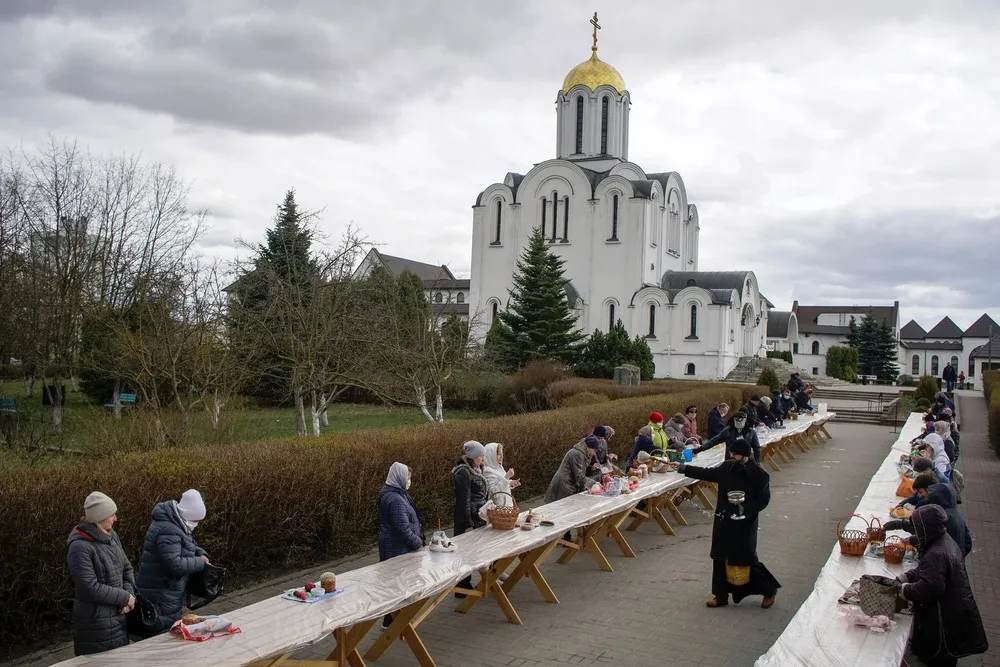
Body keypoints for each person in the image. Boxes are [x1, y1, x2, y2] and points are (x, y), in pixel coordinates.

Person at [668, 438, 780, 609]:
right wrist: (683, 468)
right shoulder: (726, 467)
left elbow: (763, 500)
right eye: (731, 453)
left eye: (734, 454)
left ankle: (769, 590)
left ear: (744, 456)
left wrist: (744, 509)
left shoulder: (760, 474)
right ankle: (720, 596)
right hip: (724, 518)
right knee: (719, 556)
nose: (731, 456)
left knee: (745, 558)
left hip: (744, 523)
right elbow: (707, 473)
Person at [895, 504, 988, 666]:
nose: (917, 533)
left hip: (944, 621)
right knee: (947, 659)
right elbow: (929, 571)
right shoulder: (943, 540)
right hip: (953, 613)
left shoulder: (936, 552)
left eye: (918, 528)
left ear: (926, 528)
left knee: (941, 660)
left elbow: (930, 586)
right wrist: (906, 576)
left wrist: (903, 590)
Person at [67, 492, 135, 656]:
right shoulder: (79, 547)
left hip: (120, 617)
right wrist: (124, 598)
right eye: (111, 515)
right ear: (100, 517)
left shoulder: (112, 536)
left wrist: (129, 597)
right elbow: (89, 587)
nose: (115, 518)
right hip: (95, 626)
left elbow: (127, 568)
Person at [136, 489, 209, 634]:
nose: (195, 525)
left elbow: (187, 545)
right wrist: (199, 562)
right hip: (160, 593)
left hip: (168, 591)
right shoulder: (168, 529)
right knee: (161, 635)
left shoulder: (176, 523)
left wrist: (200, 552)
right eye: (195, 521)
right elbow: (175, 564)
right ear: (188, 515)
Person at [377, 462, 424, 627]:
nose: (409, 480)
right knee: (398, 584)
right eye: (408, 477)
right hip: (397, 548)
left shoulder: (396, 492)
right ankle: (393, 622)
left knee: (396, 583)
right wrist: (417, 543)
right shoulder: (395, 498)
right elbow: (402, 527)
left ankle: (393, 620)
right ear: (400, 477)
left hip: (394, 545)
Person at [886, 472, 971, 558]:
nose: (924, 497)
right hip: (952, 559)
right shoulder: (956, 514)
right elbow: (968, 542)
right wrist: (960, 557)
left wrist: (911, 540)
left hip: (943, 559)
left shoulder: (941, 516)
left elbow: (928, 535)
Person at [453, 440, 489, 595]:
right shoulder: (463, 472)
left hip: (478, 515)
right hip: (468, 518)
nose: (482, 458)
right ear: (473, 456)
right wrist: (467, 523)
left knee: (475, 551)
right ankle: (462, 586)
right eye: (480, 455)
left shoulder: (476, 469)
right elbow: (464, 499)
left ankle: (469, 582)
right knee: (465, 552)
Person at [693, 411, 762, 464]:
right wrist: (699, 449)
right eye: (736, 420)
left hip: (745, 461)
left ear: (745, 420)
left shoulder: (751, 432)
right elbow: (714, 441)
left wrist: (757, 464)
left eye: (740, 420)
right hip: (731, 461)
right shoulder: (728, 430)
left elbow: (757, 449)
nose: (738, 421)